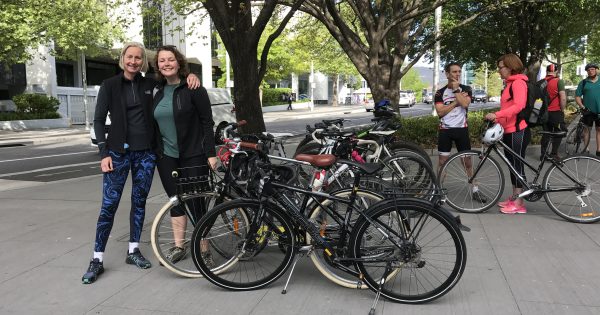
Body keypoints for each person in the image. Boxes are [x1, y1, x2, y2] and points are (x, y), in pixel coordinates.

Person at [82, 42, 199, 284]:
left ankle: (133, 250)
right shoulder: (110, 85)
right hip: (116, 154)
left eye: (138, 58)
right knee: (109, 205)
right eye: (130, 57)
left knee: (139, 203)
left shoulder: (151, 84)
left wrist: (192, 76)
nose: (134, 61)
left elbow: (173, 79)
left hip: (145, 154)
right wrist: (104, 153)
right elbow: (97, 120)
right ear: (122, 58)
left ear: (143, 61)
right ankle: (97, 259)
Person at [152, 45, 218, 265]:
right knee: (175, 201)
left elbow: (207, 122)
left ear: (178, 62)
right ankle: (179, 246)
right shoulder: (156, 89)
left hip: (194, 155)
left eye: (170, 59)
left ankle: (204, 248)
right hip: (166, 156)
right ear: (158, 65)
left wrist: (211, 153)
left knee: (197, 202)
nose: (166, 64)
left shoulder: (193, 88)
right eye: (162, 61)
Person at [485, 53, 531, 214]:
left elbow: (518, 106)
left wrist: (497, 115)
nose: (499, 71)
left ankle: (519, 203)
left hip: (518, 131)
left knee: (517, 166)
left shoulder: (518, 83)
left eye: (500, 67)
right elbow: (507, 109)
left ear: (510, 67)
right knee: (512, 166)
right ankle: (514, 196)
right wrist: (499, 120)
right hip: (509, 131)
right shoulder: (509, 83)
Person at [434, 62, 485, 203]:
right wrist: (456, 101)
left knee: (467, 162)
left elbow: (465, 104)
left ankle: (475, 190)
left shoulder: (466, 88)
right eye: (454, 72)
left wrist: (457, 92)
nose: (457, 74)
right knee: (442, 162)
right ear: (447, 74)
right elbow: (440, 112)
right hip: (445, 130)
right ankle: (438, 191)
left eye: (459, 72)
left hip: (462, 129)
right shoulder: (440, 92)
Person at [540, 64, 567, 159]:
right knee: (559, 132)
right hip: (556, 112)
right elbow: (563, 98)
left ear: (547, 72)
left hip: (543, 112)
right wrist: (562, 109)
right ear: (556, 72)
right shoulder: (559, 81)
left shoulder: (541, 82)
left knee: (546, 133)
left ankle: (543, 154)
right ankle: (554, 154)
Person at [575, 63, 600, 156]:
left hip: (599, 110)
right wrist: (582, 106)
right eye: (588, 70)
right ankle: (586, 149)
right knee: (587, 130)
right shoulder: (583, 82)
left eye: (592, 69)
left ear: (596, 70)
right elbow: (577, 96)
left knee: (599, 130)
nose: (590, 71)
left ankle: (599, 150)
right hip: (588, 111)